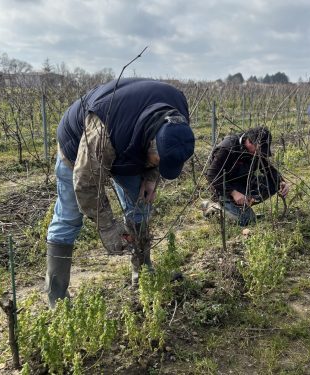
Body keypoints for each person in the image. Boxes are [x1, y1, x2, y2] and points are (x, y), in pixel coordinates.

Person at [45, 78, 195, 307]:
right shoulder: (103, 132)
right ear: (151, 143)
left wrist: (151, 176)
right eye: (157, 160)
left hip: (128, 144)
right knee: (68, 218)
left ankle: (143, 272)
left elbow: (165, 152)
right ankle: (57, 299)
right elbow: (86, 184)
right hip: (79, 145)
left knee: (140, 205)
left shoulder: (178, 120)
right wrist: (107, 227)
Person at [204, 127, 289, 226]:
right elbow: (211, 175)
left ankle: (240, 208)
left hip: (243, 184)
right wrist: (234, 193)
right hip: (224, 188)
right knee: (245, 220)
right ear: (249, 141)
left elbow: (268, 168)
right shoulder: (227, 148)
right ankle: (213, 207)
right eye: (259, 148)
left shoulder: (256, 152)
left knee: (275, 184)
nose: (259, 153)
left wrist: (281, 181)